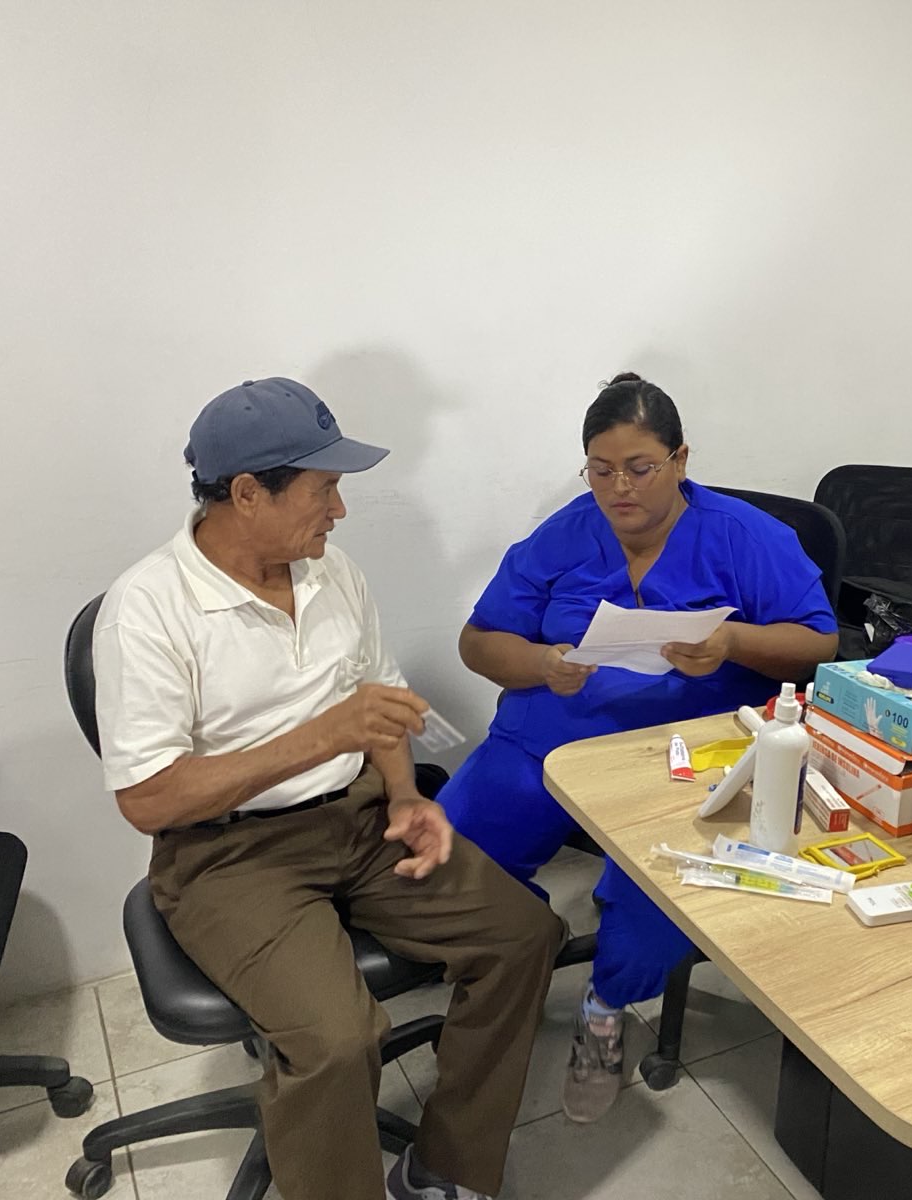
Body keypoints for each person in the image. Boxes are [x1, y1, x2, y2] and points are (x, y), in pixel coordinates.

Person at [93, 378, 562, 1200]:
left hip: (360, 818)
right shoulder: (149, 609)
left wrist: (405, 796)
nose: (339, 512)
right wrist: (322, 736)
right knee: (339, 1040)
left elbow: (378, 701)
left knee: (524, 935)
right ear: (247, 493)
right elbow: (149, 799)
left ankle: (448, 1166)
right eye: (324, 490)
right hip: (228, 854)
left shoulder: (331, 572)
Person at [438, 372, 839, 1123]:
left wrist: (732, 642)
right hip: (549, 740)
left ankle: (603, 1011)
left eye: (640, 467)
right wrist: (542, 663)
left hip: (678, 758)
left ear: (680, 459)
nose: (618, 487)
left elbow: (818, 643)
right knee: (447, 861)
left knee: (650, 912)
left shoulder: (745, 536)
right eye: (600, 469)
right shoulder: (565, 533)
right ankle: (519, 956)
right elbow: (478, 640)